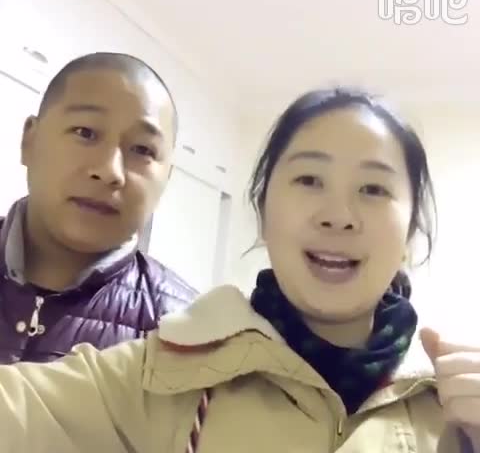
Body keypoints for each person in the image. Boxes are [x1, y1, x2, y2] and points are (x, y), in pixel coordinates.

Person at [0, 87, 479, 452]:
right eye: (309, 179)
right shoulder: (159, 374)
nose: (338, 215)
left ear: (410, 231)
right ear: (263, 212)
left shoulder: (453, 407)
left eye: (373, 189)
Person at [0, 52, 196, 364]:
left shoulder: (188, 335)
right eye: (85, 132)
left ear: (166, 179)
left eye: (142, 149)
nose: (109, 171)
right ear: (30, 141)